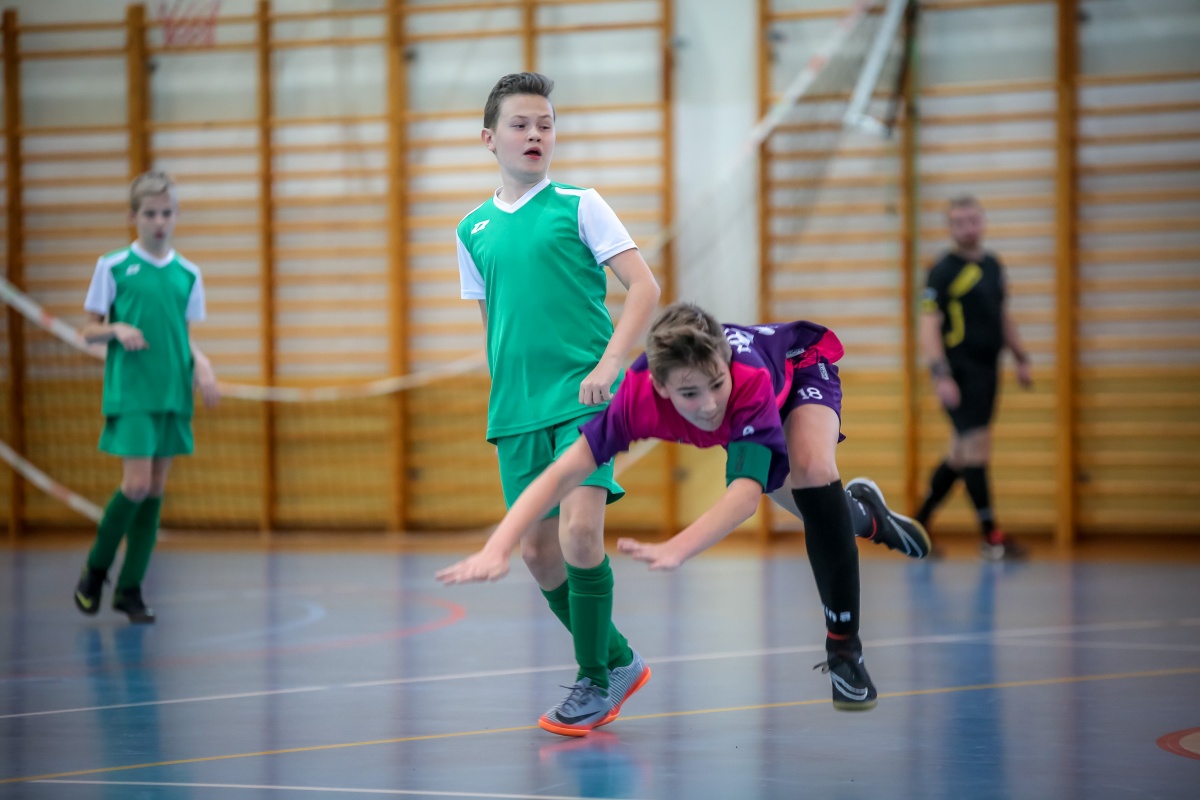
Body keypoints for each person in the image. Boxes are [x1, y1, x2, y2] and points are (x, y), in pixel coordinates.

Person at [438, 302, 932, 716]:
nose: (709, 404)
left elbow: (743, 497)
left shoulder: (746, 382)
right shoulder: (634, 399)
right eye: (690, 394)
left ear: (726, 364)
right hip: (742, 407)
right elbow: (561, 473)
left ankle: (844, 648)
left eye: (716, 383)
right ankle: (866, 515)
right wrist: (499, 546)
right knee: (820, 512)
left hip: (798, 369)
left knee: (812, 471)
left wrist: (679, 547)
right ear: (659, 387)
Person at [454, 72, 661, 736]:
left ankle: (595, 679)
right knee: (539, 555)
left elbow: (645, 288)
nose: (534, 134)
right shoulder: (472, 229)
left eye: (545, 124)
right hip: (516, 412)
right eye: (520, 124)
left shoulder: (580, 204)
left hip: (586, 398)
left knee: (578, 535)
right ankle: (620, 659)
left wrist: (610, 365)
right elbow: (492, 323)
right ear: (489, 139)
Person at [73, 171, 219, 624]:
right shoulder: (113, 266)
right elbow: (87, 332)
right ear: (133, 216)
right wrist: (115, 328)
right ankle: (96, 569)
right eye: (150, 213)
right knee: (135, 485)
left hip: (173, 391)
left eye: (166, 213)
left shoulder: (188, 274)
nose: (159, 222)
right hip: (132, 390)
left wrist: (201, 362)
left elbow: (180, 334)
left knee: (154, 491)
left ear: (177, 216)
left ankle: (130, 589)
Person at [916, 194, 1032, 561]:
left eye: (973, 220)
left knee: (959, 454)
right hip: (960, 371)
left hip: (988, 370)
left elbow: (1002, 316)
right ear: (950, 228)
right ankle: (991, 537)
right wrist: (941, 374)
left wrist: (1021, 357)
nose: (968, 228)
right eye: (959, 222)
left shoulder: (994, 266)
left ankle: (915, 527)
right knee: (976, 448)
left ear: (983, 222)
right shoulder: (942, 271)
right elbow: (928, 324)